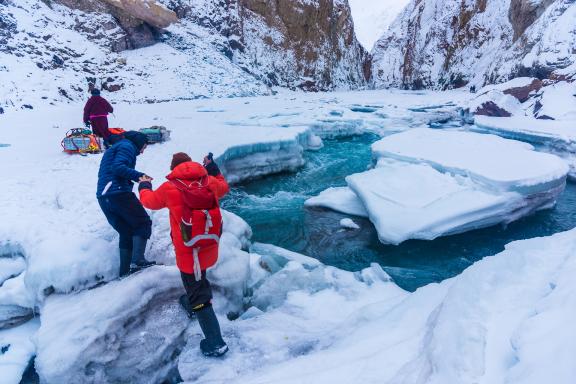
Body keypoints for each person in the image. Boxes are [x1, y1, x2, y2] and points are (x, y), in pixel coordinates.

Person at [138, 152, 230, 357]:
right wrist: (213, 168)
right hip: (210, 245)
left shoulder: (170, 187)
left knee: (198, 291)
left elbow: (149, 202)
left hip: (188, 251)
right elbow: (224, 187)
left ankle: (215, 342)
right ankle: (191, 302)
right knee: (198, 278)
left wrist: (144, 185)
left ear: (174, 168)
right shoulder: (210, 181)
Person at [97, 131, 156, 277]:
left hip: (104, 197)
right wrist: (140, 177)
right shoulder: (127, 146)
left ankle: (124, 272)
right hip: (117, 192)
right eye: (143, 147)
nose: (142, 152)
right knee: (142, 222)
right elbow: (118, 167)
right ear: (138, 143)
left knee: (126, 231)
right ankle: (137, 261)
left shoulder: (117, 147)